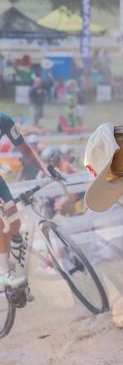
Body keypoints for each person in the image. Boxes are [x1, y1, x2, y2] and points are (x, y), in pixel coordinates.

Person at [0, 112, 51, 289]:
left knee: (14, 223)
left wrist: (44, 168)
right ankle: (4, 272)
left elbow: (26, 150)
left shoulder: (4, 120)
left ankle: (13, 252)